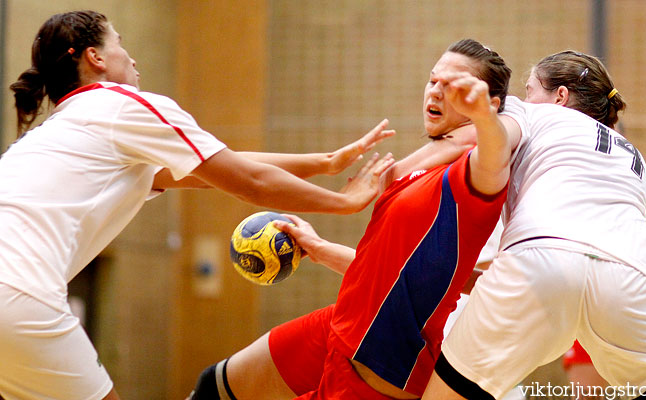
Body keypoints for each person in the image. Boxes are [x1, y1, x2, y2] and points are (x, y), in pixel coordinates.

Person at [0, 10, 397, 400]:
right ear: (96, 57)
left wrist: (324, 163)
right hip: (19, 293)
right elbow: (250, 183)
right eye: (120, 43)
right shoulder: (121, 104)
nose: (132, 57)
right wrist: (343, 203)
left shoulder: (65, 131)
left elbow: (215, 169)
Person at [187, 38, 517, 400]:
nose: (436, 92)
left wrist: (485, 118)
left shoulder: (474, 168)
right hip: (345, 328)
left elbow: (495, 150)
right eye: (433, 80)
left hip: (379, 362)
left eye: (453, 86)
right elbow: (392, 270)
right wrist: (321, 248)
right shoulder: (423, 161)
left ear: (489, 103)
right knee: (213, 386)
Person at [422, 52, 646, 399]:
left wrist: (397, 173)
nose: (523, 97)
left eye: (529, 88)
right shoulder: (633, 156)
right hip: (631, 275)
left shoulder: (533, 113)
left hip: (541, 259)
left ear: (560, 97)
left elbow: (477, 139)